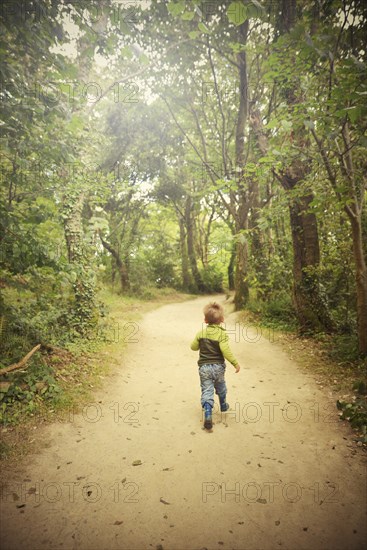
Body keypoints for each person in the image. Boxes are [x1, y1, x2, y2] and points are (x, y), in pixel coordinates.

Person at [190, 301, 241, 430]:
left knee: (207, 390)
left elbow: (193, 347)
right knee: (221, 386)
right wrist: (235, 363)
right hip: (218, 367)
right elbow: (226, 351)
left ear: (205, 320)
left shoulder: (200, 333)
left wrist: (200, 343)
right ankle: (223, 404)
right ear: (222, 320)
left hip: (204, 368)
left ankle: (208, 414)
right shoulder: (222, 334)